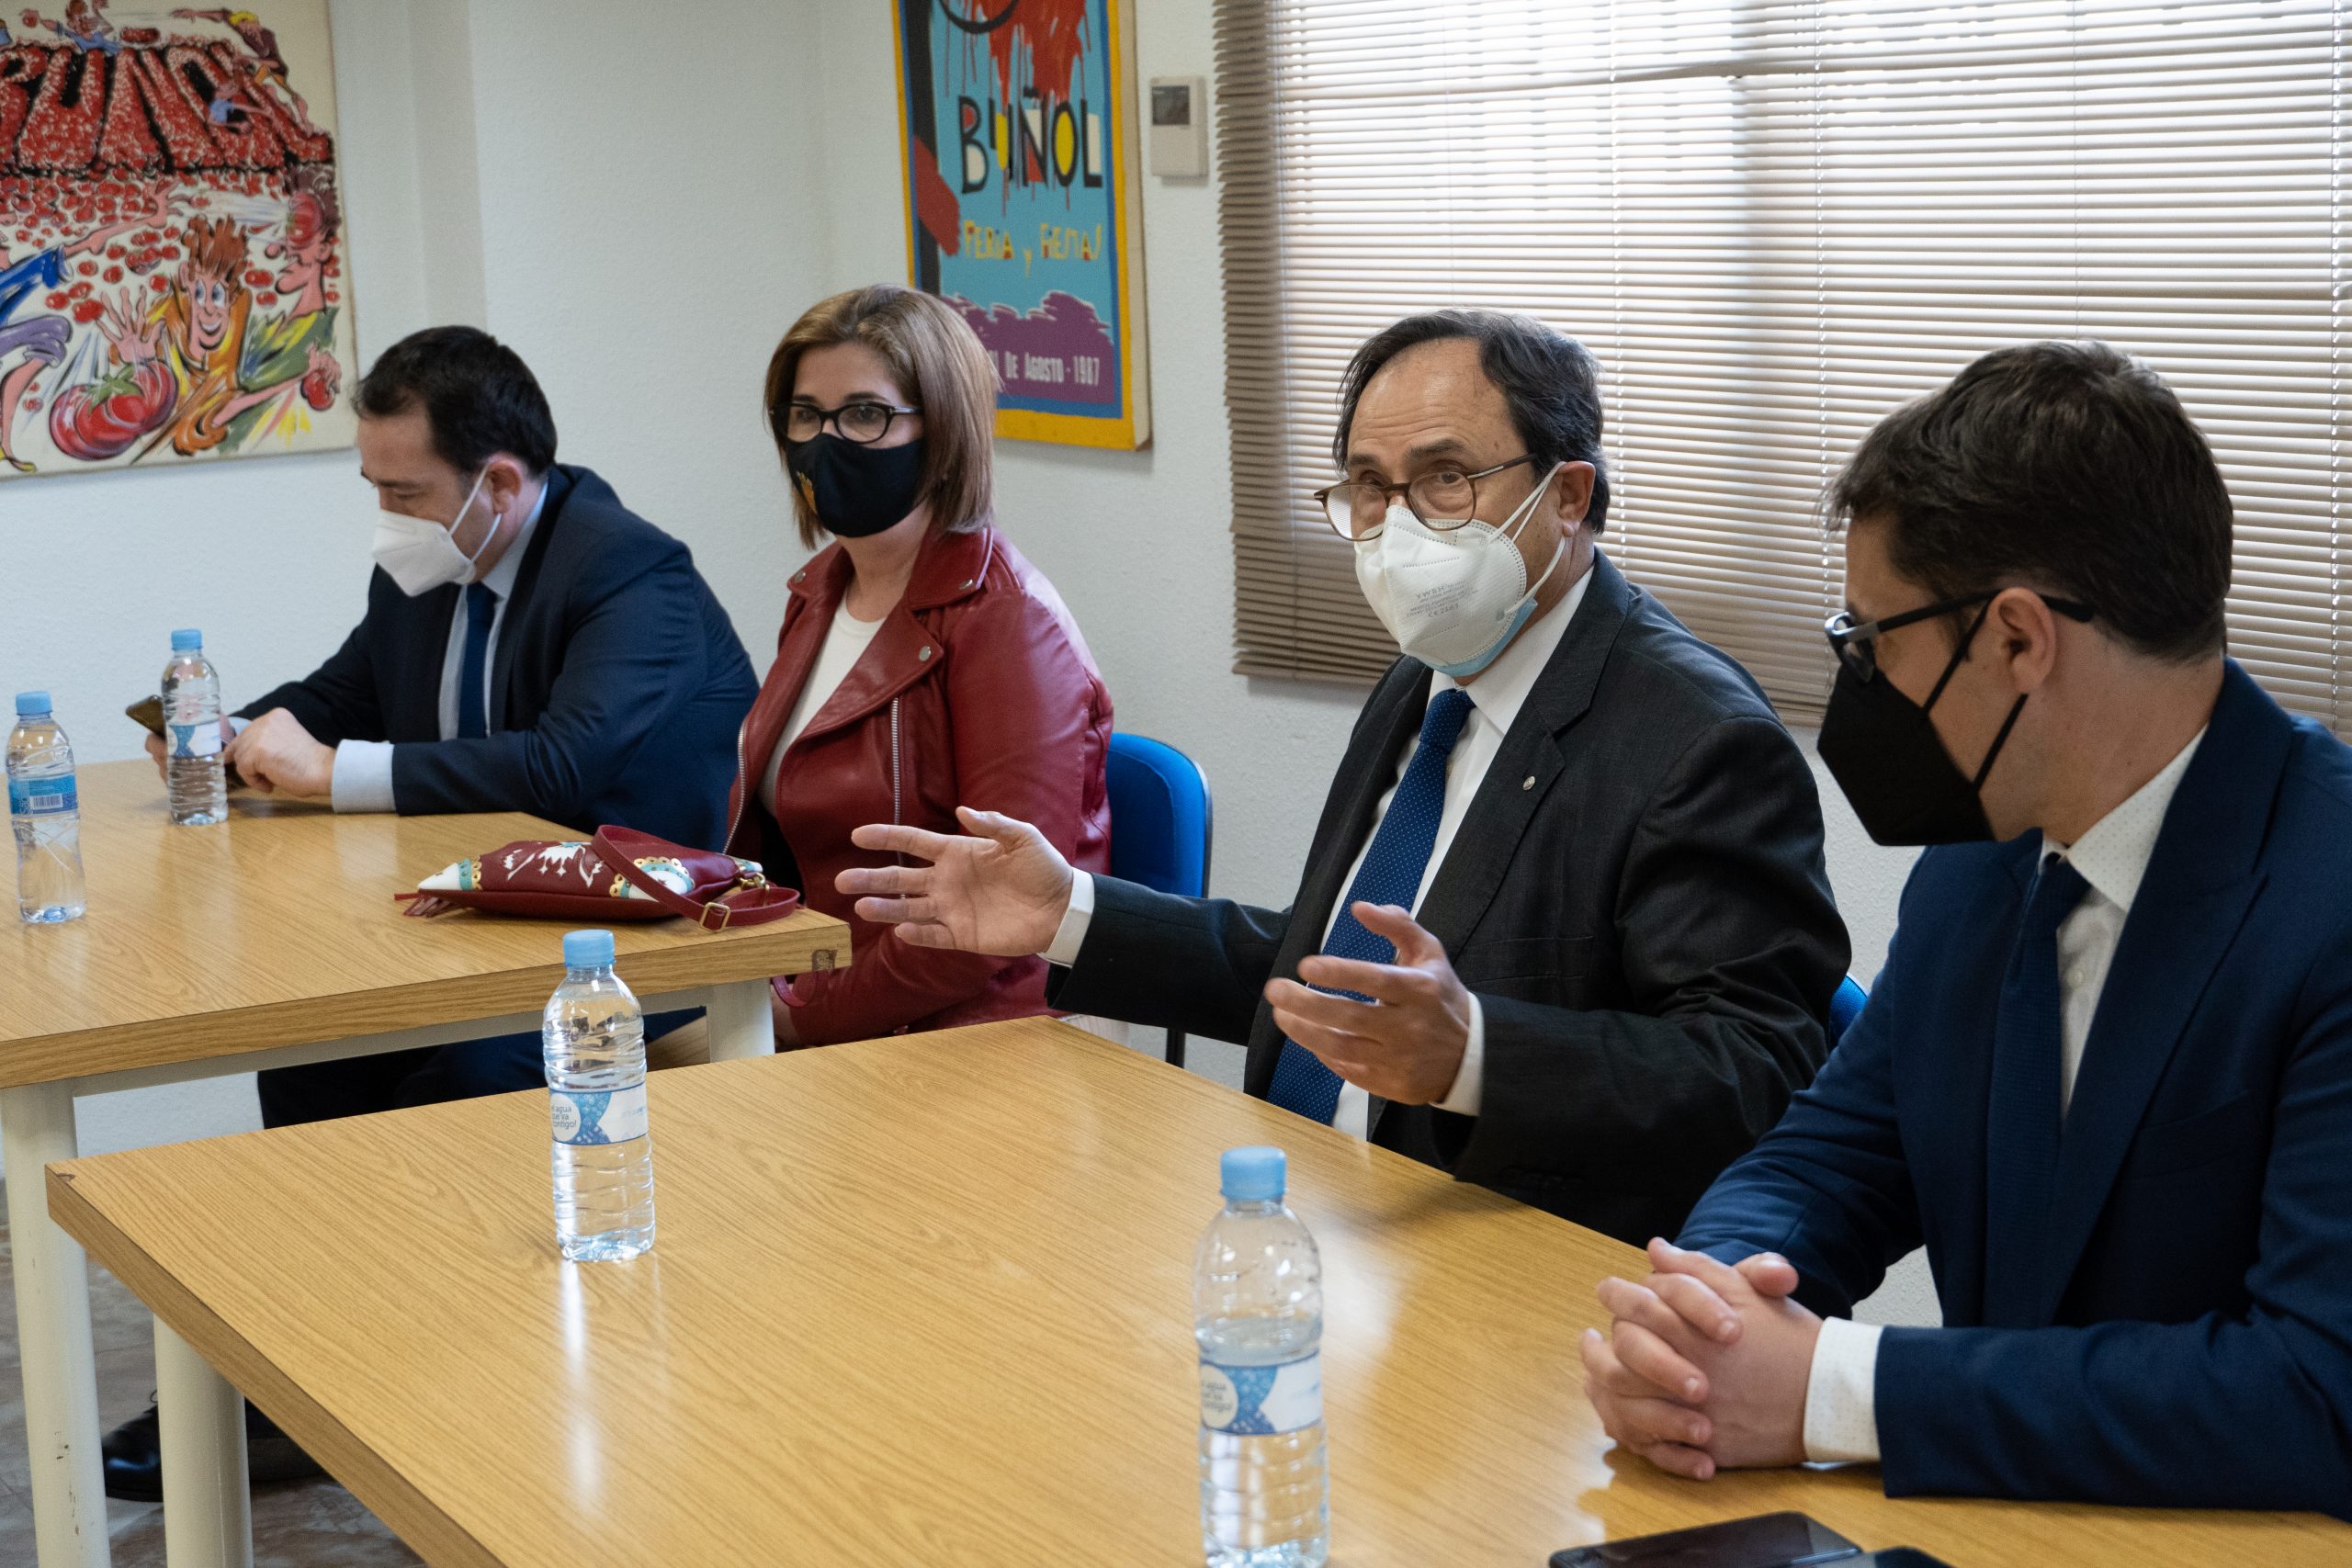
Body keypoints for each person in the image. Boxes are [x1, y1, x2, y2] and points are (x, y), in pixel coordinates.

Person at [840, 310, 1850, 1240]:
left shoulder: (1697, 739)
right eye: (1371, 485)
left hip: (1507, 1259)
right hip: (1313, 1208)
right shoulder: (1426, 677)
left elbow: (1755, 1071)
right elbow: (1323, 974)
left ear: (1568, 495)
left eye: (1446, 477)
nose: (1399, 526)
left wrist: (1476, 1056)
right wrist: (1067, 913)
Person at [1579, 341, 2352, 1517]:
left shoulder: (2328, 900)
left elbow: (2315, 1390)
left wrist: (1833, 1389)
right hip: (1996, 1524)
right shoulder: (1984, 854)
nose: (1857, 682)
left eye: (1872, 642)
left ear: (2016, 639)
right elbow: (1836, 1151)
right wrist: (1712, 1314)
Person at [107, 324, 759, 1501]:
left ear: (498, 483)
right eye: (375, 488)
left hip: (633, 937)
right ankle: (306, 1378)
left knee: (460, 1072)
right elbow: (342, 694)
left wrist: (331, 773)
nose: (386, 517)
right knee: (308, 1046)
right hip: (472, 913)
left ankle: (465, 1393)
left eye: (403, 492)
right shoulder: (425, 565)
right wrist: (227, 735)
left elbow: (561, 767)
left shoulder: (630, 574)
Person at [726, 284, 1112, 1046]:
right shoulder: (820, 592)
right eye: (807, 414)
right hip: (830, 1003)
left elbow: (995, 919)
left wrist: (804, 1020)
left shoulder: (1008, 622)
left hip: (985, 1036)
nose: (828, 440)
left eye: (866, 414)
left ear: (943, 431)